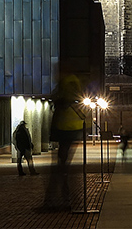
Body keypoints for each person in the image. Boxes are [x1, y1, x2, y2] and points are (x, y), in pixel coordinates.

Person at [43, 74, 84, 211]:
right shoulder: (74, 83)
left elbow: (58, 98)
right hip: (71, 130)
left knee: (61, 168)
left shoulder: (67, 82)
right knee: (62, 167)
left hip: (64, 130)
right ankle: (64, 199)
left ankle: (60, 200)